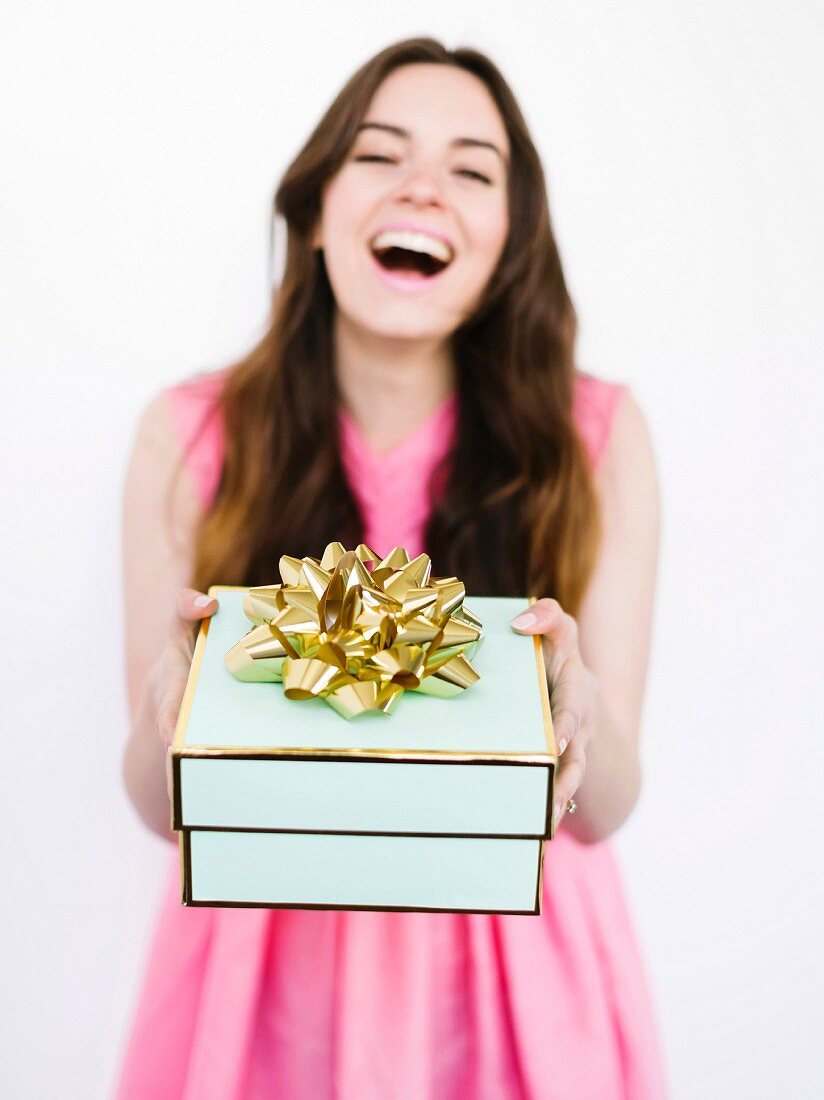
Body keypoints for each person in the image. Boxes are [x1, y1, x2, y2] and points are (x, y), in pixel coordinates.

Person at [117, 36, 666, 1100]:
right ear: (316, 208)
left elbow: (606, 808)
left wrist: (579, 715)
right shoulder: (187, 433)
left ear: (508, 239)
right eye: (378, 156)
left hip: (521, 989)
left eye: (471, 169)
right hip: (260, 984)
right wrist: (160, 714)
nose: (423, 187)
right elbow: (158, 806)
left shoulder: (596, 435)